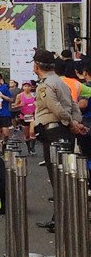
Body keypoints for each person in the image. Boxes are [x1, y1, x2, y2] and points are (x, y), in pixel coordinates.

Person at [32, 49, 87, 233]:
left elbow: (55, 108)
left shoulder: (45, 85)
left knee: (57, 176)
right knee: (62, 176)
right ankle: (60, 217)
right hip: (64, 131)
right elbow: (72, 104)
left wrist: (71, 123)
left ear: (37, 66)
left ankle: (64, 219)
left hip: (54, 132)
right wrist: (76, 122)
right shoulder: (61, 82)